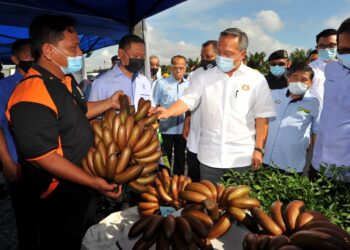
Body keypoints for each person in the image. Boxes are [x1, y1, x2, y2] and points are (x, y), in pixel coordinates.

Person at [5, 14, 123, 250]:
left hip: (80, 185)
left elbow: (79, 111)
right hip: (56, 196)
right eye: (73, 47)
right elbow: (44, 156)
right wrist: (93, 182)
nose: (80, 53)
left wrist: (109, 103)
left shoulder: (64, 81)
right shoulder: (30, 94)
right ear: (48, 51)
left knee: (81, 238)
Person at [154, 28, 275, 183]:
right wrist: (167, 112)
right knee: (209, 202)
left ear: (243, 54)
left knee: (237, 205)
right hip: (209, 157)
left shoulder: (256, 79)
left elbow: (262, 118)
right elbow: (188, 100)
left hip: (240, 158)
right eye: (220, 51)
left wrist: (258, 149)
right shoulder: (203, 77)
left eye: (228, 53)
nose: (222, 57)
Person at [0, 38, 33, 250]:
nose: (32, 58)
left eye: (35, 54)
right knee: (25, 220)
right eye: (28, 55)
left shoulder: (43, 82)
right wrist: (6, 162)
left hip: (47, 165)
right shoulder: (4, 88)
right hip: (18, 164)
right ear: (15, 59)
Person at [311, 19, 350, 182]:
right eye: (343, 51)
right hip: (319, 161)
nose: (346, 55)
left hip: (345, 168)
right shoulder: (332, 69)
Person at [263, 64, 320, 174]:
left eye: (304, 79)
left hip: (292, 165)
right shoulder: (273, 95)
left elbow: (316, 133)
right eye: (295, 77)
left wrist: (316, 158)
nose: (298, 82)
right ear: (288, 78)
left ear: (310, 83)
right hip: (265, 160)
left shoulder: (314, 104)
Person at [183, 40, 217, 181]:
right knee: (194, 178)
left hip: (214, 139)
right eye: (202, 57)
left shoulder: (225, 76)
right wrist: (186, 123)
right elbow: (188, 101)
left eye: (208, 57)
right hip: (195, 135)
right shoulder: (195, 74)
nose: (204, 60)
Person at [89, 34, 152, 107]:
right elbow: (93, 114)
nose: (139, 59)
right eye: (135, 56)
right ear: (121, 54)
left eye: (142, 56)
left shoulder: (144, 81)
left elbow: (150, 107)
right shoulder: (101, 83)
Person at [153, 55, 190, 175]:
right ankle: (165, 182)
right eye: (175, 67)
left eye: (181, 67)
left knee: (180, 158)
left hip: (182, 130)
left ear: (185, 68)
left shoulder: (189, 85)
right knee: (164, 159)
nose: (178, 70)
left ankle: (178, 184)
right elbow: (154, 104)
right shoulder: (161, 83)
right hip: (165, 129)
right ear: (170, 68)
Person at [308, 29, 337, 104]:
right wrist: (311, 113)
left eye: (331, 45)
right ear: (317, 48)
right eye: (322, 46)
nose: (327, 49)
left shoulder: (346, 68)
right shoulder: (308, 71)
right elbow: (299, 104)